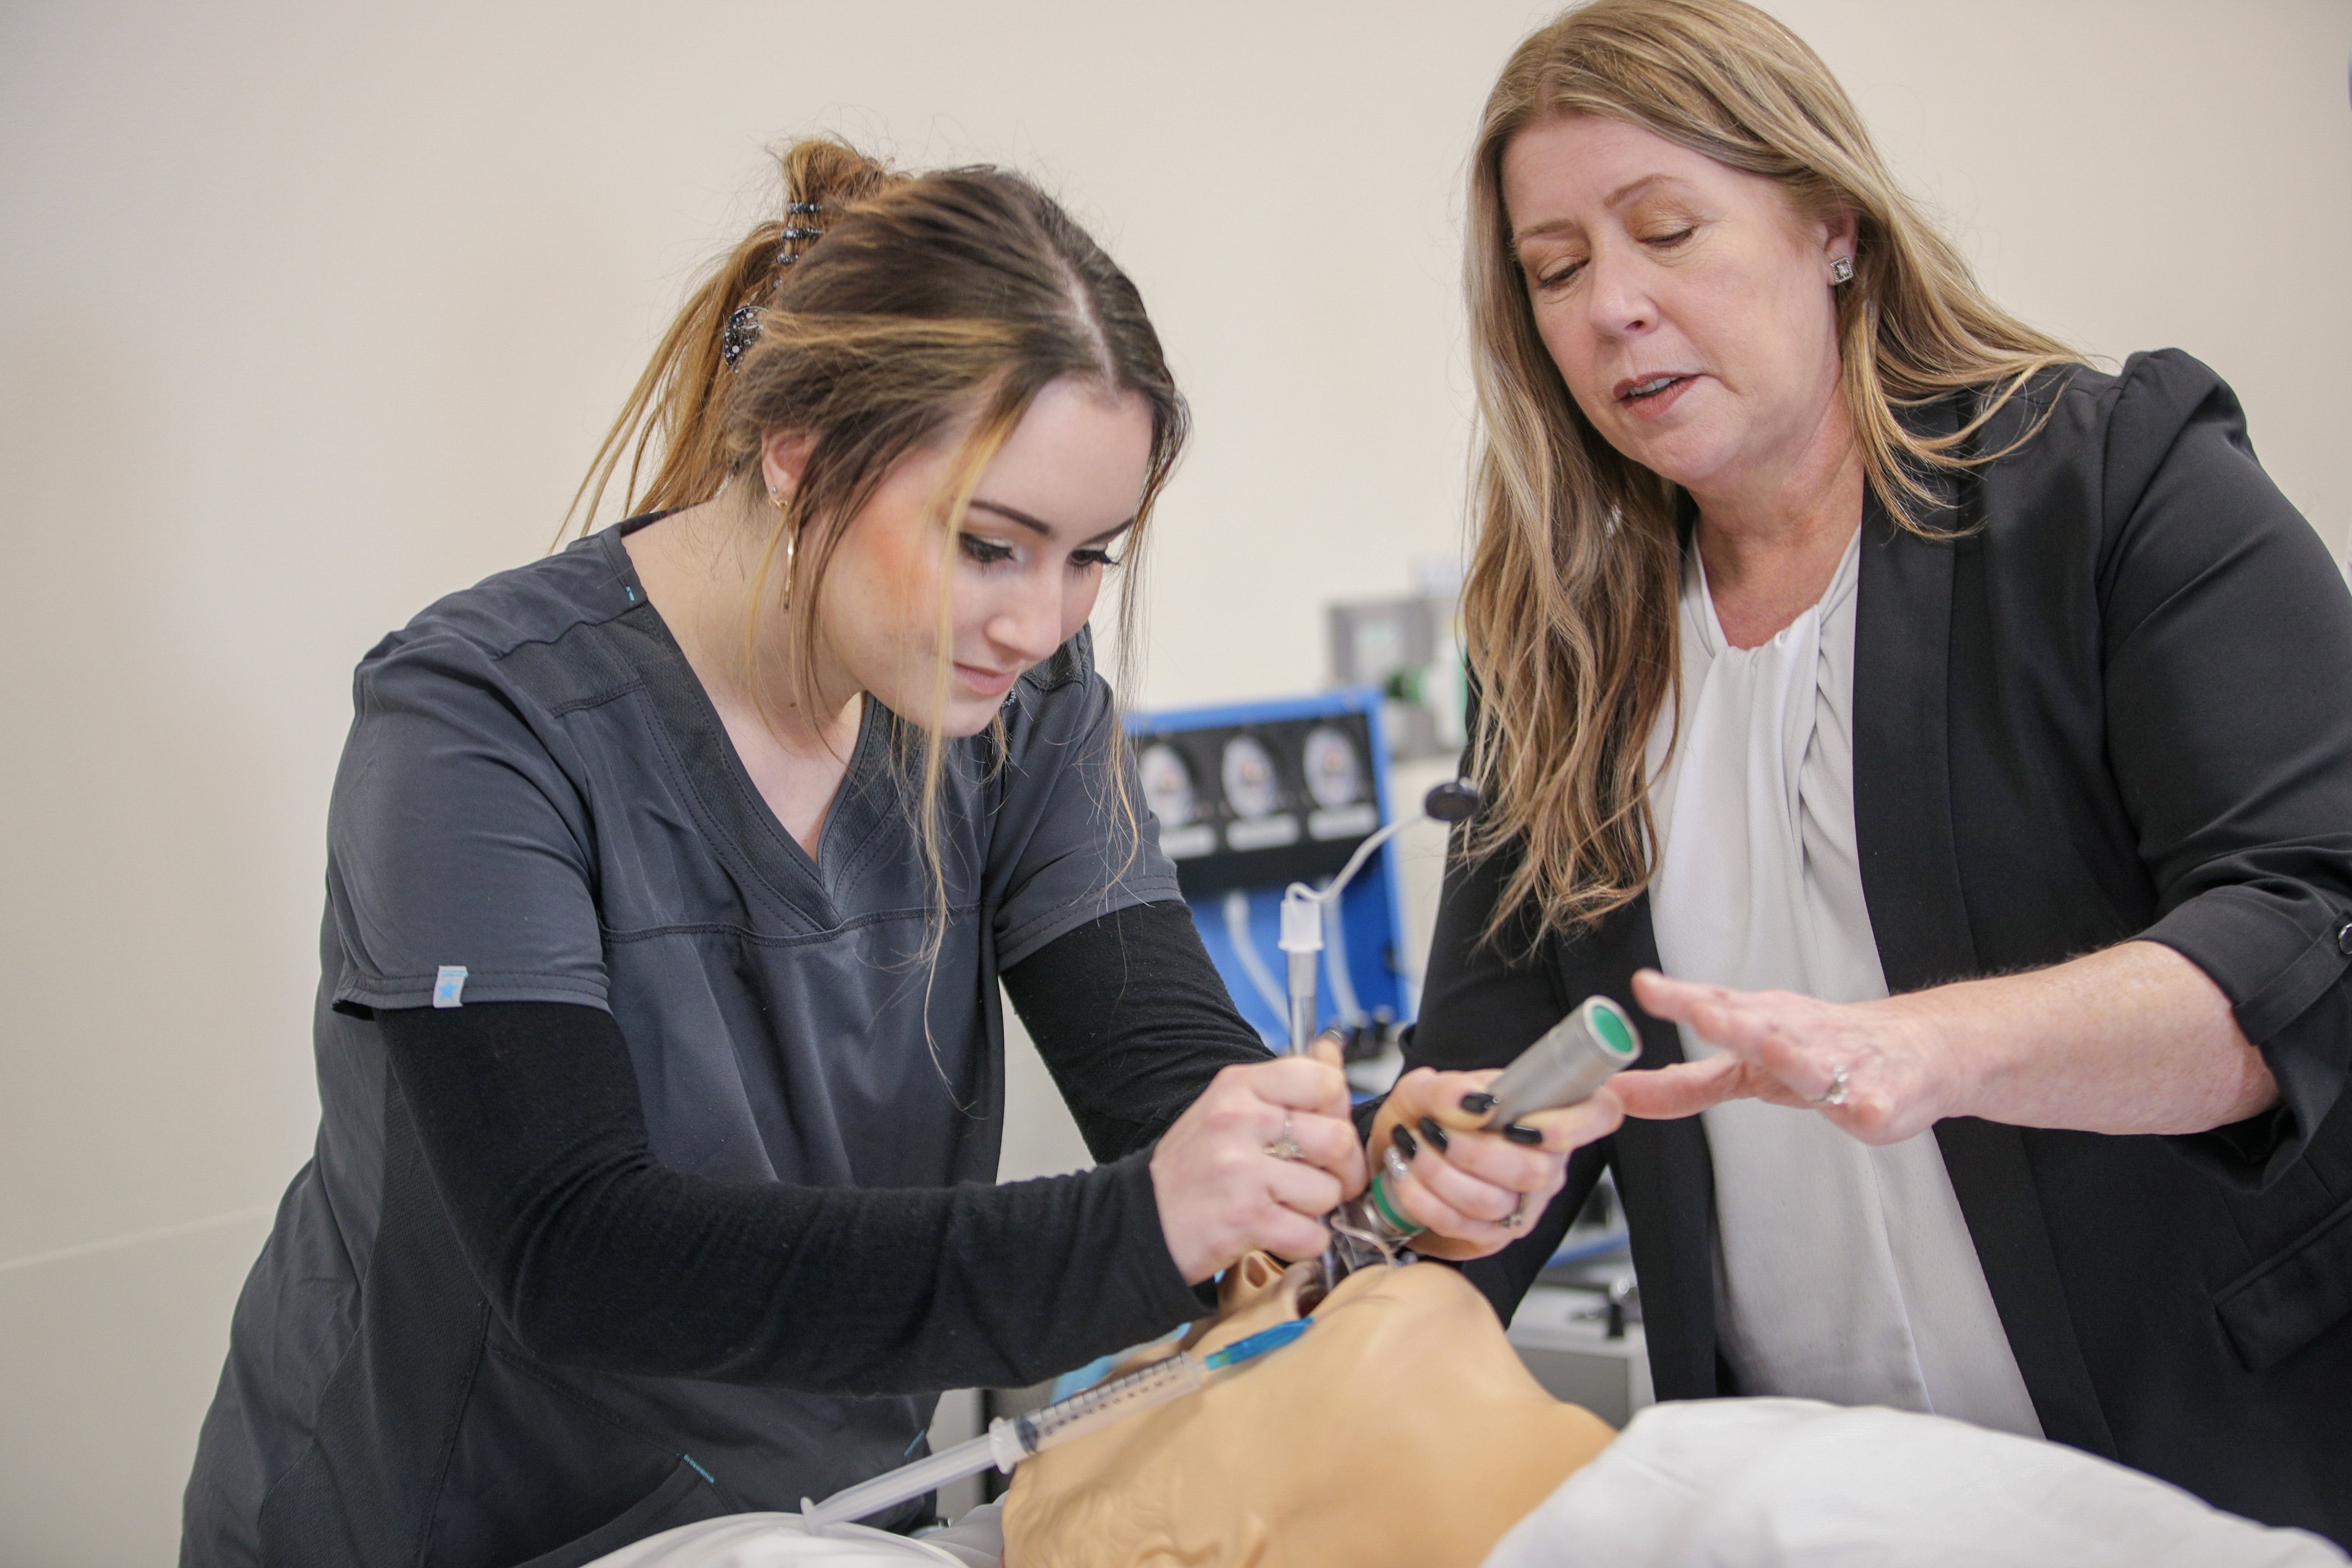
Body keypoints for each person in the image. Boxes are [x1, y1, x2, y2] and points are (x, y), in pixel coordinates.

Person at [179, 140, 1578, 1568]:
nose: (1043, 620)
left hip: (819, 1521)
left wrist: (1346, 1170)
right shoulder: (480, 722)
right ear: (800, 456)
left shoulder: (1018, 703)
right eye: (991, 544)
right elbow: (574, 1251)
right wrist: (1138, 1230)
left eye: (1094, 552)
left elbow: (1160, 1078)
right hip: (450, 1519)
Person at [1379, 0, 2352, 1545]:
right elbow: (1500, 1079)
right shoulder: (1562, 641)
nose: (1613, 306)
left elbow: (2311, 932)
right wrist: (1440, 1176)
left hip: (2203, 1471)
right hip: (1815, 1501)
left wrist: (1932, 1049)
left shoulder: (2117, 487)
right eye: (1556, 270)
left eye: (1668, 230)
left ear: (1831, 222)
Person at [562, 1254, 2350, 1568]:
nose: (1266, 1292)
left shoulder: (1721, 1466)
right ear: (1184, 1553)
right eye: (1130, 1381)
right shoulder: (1760, 1530)